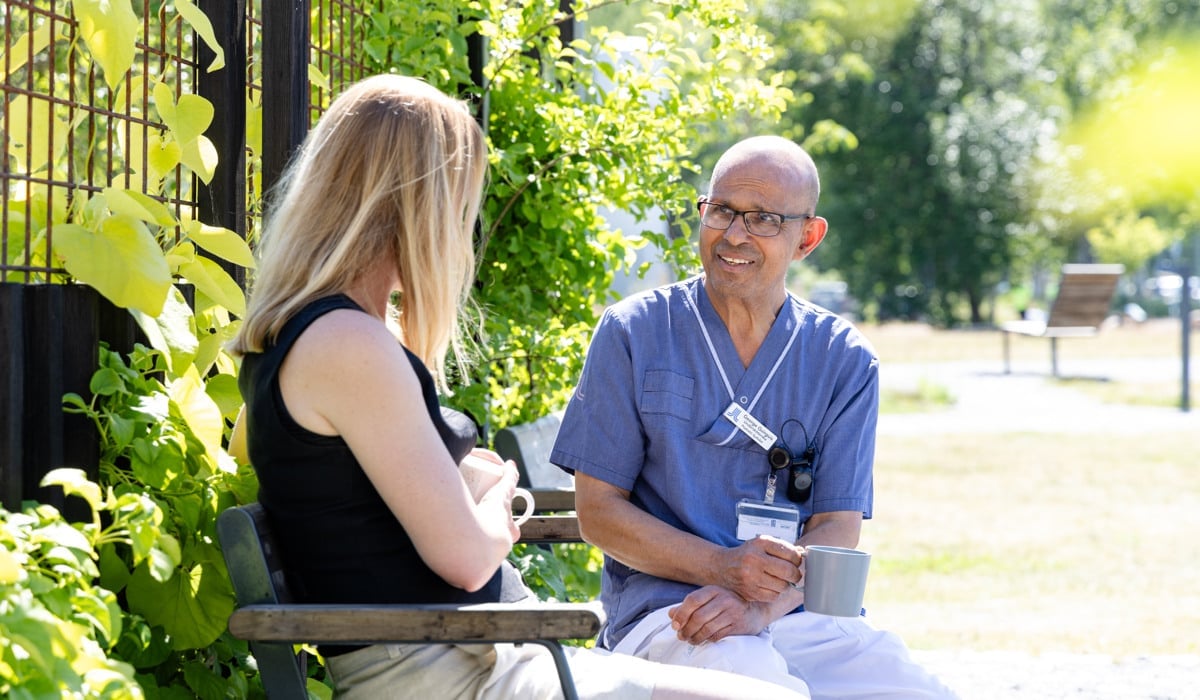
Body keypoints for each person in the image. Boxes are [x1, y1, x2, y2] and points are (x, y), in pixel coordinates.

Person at [228, 75, 810, 700]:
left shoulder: (322, 333)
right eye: (458, 202)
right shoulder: (347, 343)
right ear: (411, 202)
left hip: (486, 655)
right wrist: (497, 491)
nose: (462, 226)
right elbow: (467, 558)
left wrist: (456, 481)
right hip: (453, 675)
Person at [549, 135, 958, 698]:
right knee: (758, 684)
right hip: (671, 614)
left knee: (910, 689)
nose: (734, 235)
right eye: (721, 211)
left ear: (806, 238)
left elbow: (837, 528)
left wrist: (761, 607)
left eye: (764, 218)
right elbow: (598, 513)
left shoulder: (843, 359)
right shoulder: (635, 333)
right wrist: (721, 568)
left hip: (795, 613)